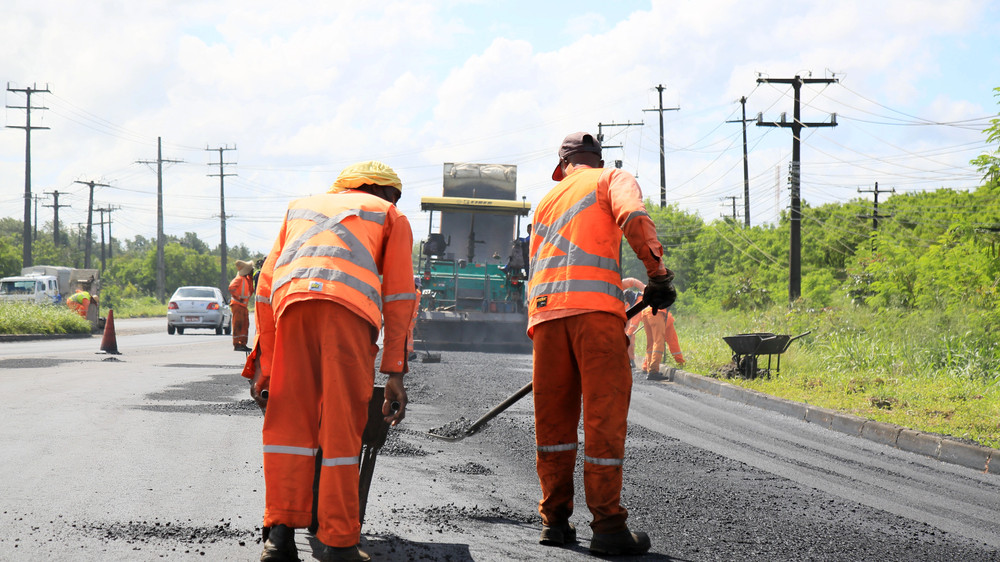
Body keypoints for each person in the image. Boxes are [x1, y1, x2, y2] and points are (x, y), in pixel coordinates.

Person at [242, 160, 415, 562]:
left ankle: (279, 538)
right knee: (341, 427)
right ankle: (338, 542)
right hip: (347, 315)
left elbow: (265, 289)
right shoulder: (389, 214)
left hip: (291, 310)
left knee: (288, 427)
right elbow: (400, 297)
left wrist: (265, 366)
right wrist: (394, 372)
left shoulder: (299, 208)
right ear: (384, 191)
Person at [527, 132, 677, 556]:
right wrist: (658, 275)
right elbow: (633, 219)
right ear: (597, 158)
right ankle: (608, 526)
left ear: (563, 166)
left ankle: (554, 522)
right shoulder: (612, 179)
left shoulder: (547, 200)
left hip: (546, 318)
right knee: (603, 418)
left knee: (554, 424)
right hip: (594, 318)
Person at [640, 308, 685, 381]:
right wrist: (680, 361)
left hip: (646, 312)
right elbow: (673, 342)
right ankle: (653, 371)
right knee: (658, 342)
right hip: (657, 313)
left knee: (651, 343)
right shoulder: (668, 320)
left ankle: (648, 368)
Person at [230, 260, 255, 352]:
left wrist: (251, 278)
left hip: (243, 306)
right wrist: (238, 297)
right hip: (237, 305)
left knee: (245, 325)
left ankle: (243, 343)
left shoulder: (247, 279)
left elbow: (250, 291)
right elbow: (231, 288)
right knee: (238, 325)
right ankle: (237, 344)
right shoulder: (239, 279)